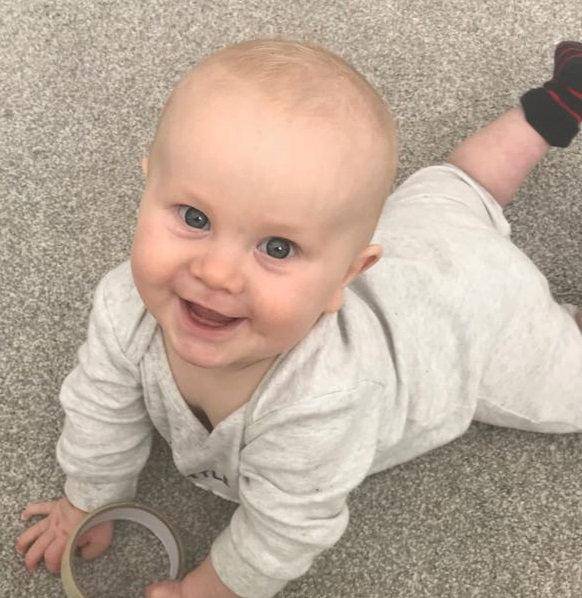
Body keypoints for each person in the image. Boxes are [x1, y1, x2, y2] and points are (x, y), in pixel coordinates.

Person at [15, 37, 582, 598]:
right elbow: (99, 405)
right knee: (463, 182)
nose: (217, 273)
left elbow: (284, 531)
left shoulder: (323, 403)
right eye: (194, 217)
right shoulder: (126, 305)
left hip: (480, 318)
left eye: (277, 248)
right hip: (426, 232)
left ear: (344, 279)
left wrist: (206, 590)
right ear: (147, 189)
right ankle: (561, 99)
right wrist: (89, 498)